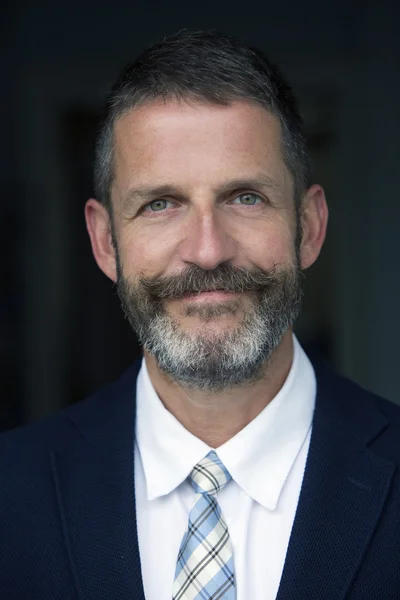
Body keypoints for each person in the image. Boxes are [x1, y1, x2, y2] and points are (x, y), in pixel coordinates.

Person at [1, 29, 400, 600]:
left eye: (245, 197)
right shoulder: (11, 492)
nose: (208, 250)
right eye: (160, 204)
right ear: (105, 241)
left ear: (308, 227)